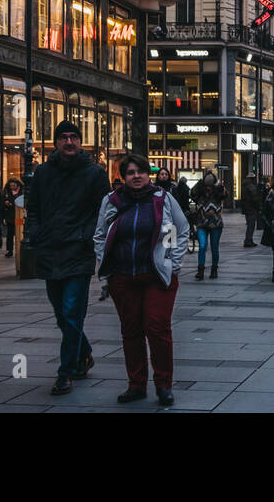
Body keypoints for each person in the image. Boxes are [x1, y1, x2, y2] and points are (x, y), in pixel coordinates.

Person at [93, 153, 189, 406]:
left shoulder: (163, 199)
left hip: (157, 277)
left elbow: (179, 230)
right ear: (123, 177)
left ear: (149, 174)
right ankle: (136, 384)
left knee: (157, 328)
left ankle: (163, 385)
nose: (136, 176)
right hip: (122, 277)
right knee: (131, 330)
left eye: (140, 172)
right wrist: (106, 264)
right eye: (130, 173)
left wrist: (172, 261)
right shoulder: (112, 201)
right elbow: (100, 235)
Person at [26, 119, 111, 396]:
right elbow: (34, 207)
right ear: (56, 142)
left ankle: (66, 372)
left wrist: (85, 236)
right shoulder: (43, 173)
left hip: (78, 253)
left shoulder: (94, 174)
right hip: (50, 252)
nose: (69, 142)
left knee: (73, 312)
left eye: (74, 136)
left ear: (80, 141)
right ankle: (84, 352)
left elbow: (104, 211)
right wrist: (37, 233)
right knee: (61, 315)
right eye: (63, 137)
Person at [1, 177, 21, 256]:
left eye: (14, 186)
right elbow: (2, 201)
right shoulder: (7, 192)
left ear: (17, 185)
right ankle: (10, 250)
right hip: (9, 216)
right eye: (11, 186)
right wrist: (5, 203)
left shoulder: (21, 191)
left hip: (18, 215)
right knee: (10, 234)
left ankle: (19, 249)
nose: (12, 187)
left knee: (19, 233)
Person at [240, 175, 261, 247]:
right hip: (252, 208)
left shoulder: (244, 185)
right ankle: (248, 240)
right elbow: (255, 198)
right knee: (251, 225)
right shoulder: (251, 186)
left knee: (249, 225)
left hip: (246, 208)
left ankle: (249, 240)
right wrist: (259, 207)